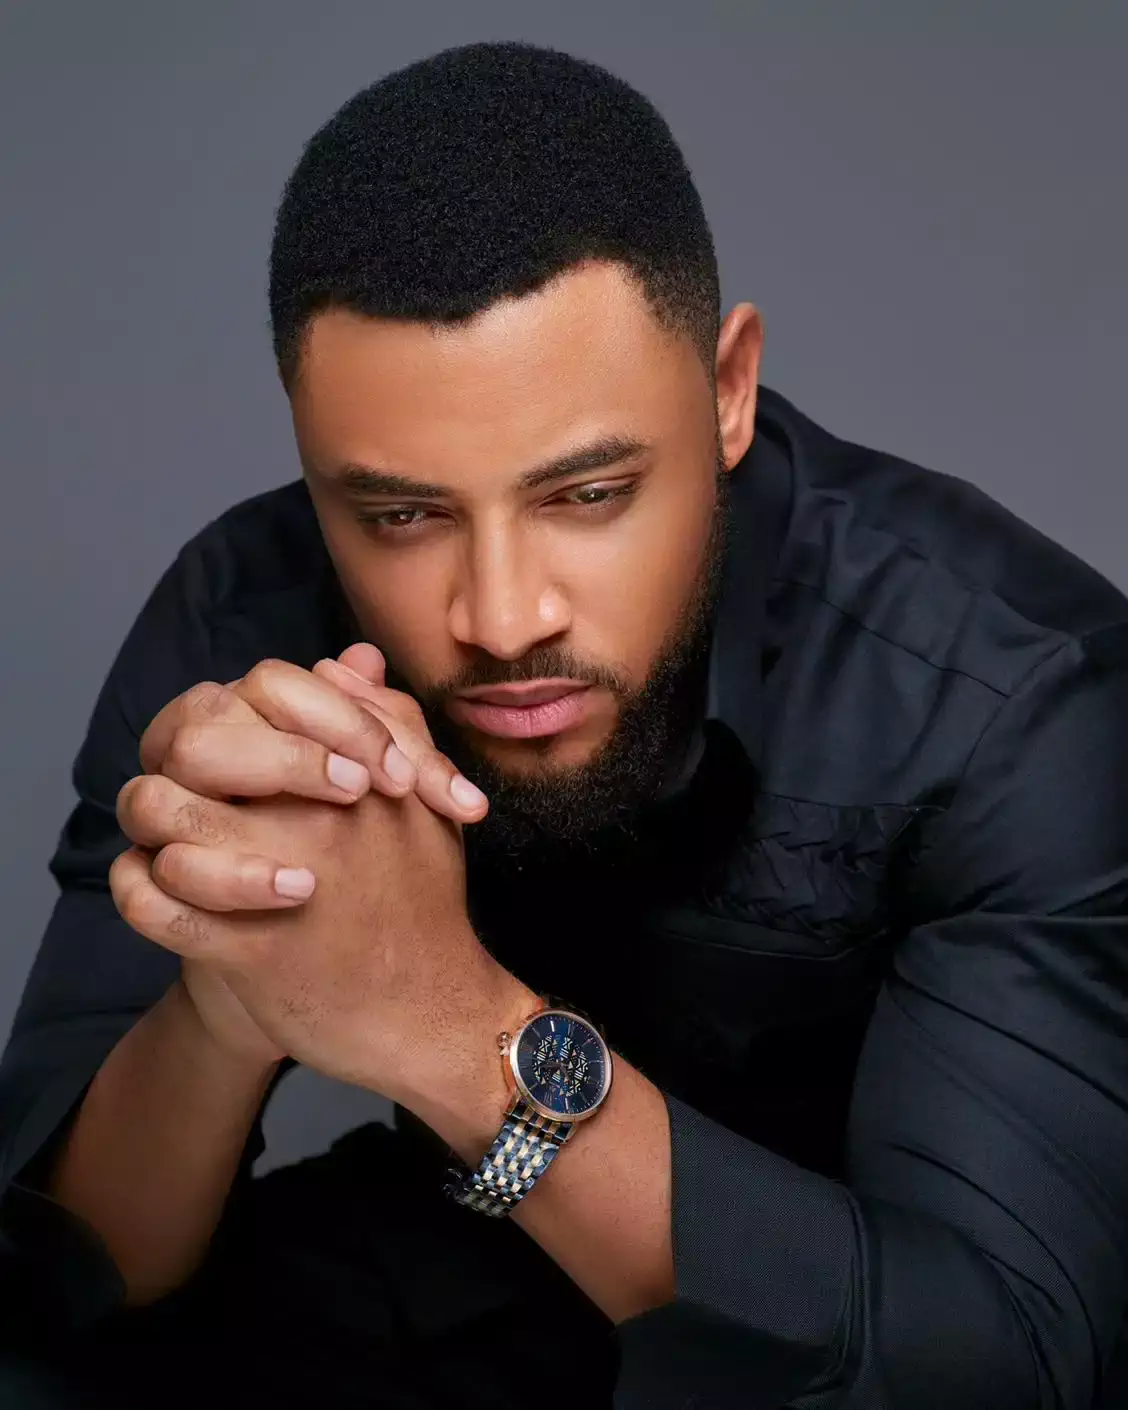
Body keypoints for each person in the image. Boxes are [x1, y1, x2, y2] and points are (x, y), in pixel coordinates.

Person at [1, 39, 1126, 1410]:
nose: (501, 616)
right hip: (451, 1298)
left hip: (830, 1331)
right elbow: (61, 1279)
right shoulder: (246, 620)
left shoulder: (1013, 692)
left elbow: (995, 1370)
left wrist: (453, 1031)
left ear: (728, 392)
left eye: (587, 495)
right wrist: (228, 997)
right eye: (402, 514)